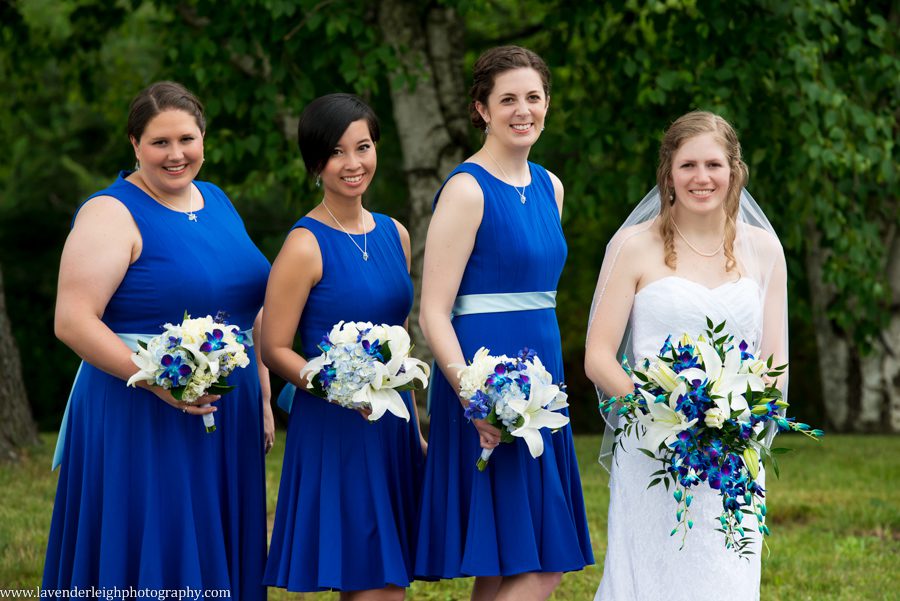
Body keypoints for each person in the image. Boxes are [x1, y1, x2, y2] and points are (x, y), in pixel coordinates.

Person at [44, 81, 274, 598]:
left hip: (227, 409)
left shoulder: (216, 199)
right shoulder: (110, 212)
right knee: (156, 542)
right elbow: (73, 320)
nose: (176, 154)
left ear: (203, 139)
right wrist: (155, 381)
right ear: (134, 144)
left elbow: (250, 307)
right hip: (140, 410)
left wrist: (262, 394)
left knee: (217, 546)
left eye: (186, 139)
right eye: (160, 142)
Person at [414, 46, 594, 601]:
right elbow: (433, 312)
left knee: (507, 558)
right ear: (482, 109)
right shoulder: (467, 190)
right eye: (508, 99)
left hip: (544, 380)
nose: (523, 110)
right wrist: (475, 399)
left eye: (533, 97)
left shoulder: (550, 186)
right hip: (484, 383)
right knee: (545, 563)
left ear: (547, 104)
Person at [585, 111, 788, 601]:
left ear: (734, 170)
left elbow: (774, 365)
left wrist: (738, 421)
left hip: (731, 454)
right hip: (652, 447)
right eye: (688, 165)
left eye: (714, 164)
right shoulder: (633, 246)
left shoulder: (764, 250)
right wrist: (663, 415)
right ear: (669, 173)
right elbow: (598, 356)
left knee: (725, 576)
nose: (702, 178)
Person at [262, 93, 426, 600]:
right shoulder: (304, 244)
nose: (353, 163)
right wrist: (339, 388)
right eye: (336, 152)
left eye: (363, 147)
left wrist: (414, 429)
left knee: (388, 579)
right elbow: (274, 347)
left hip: (392, 425)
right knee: (369, 579)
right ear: (316, 163)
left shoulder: (395, 234)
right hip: (337, 426)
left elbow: (398, 344)